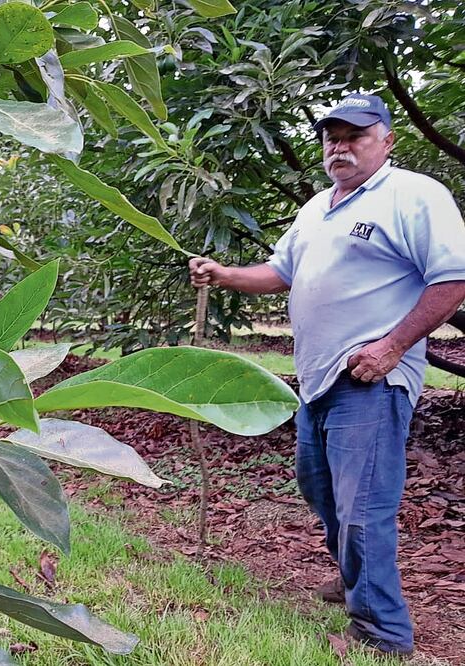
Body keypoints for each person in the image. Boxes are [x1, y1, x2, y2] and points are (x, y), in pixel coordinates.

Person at [189, 93, 465, 656]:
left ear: (387, 140)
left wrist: (392, 347)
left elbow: (453, 278)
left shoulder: (413, 195)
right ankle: (353, 578)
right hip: (316, 378)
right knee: (321, 488)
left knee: (363, 507)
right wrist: (223, 274)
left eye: (355, 136)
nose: (340, 147)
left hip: (370, 378)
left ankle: (382, 632)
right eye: (331, 138)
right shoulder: (318, 207)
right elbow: (281, 272)